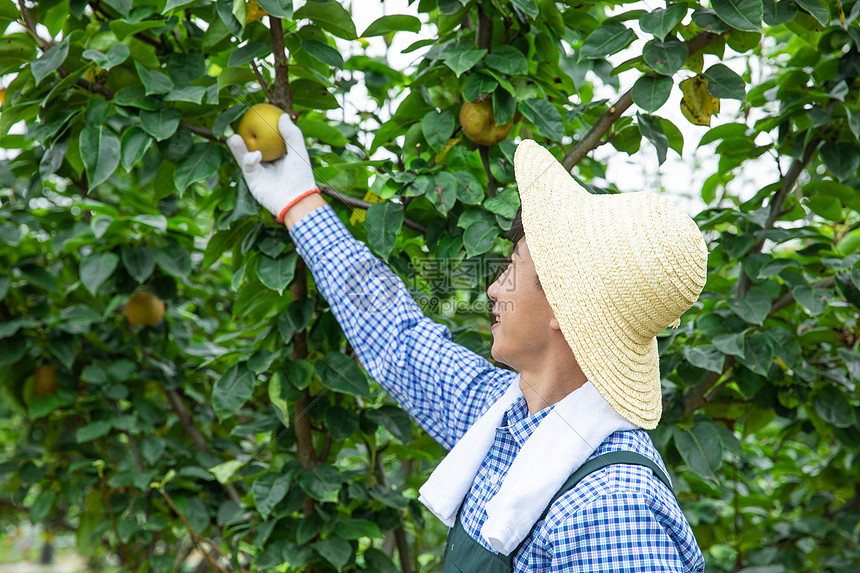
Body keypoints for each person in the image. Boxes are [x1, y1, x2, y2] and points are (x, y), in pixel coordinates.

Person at [228, 114, 708, 572]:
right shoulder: (504, 418)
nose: (494, 288)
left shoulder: (610, 510)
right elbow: (398, 336)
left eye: (513, 270)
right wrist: (300, 203)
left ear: (564, 309)